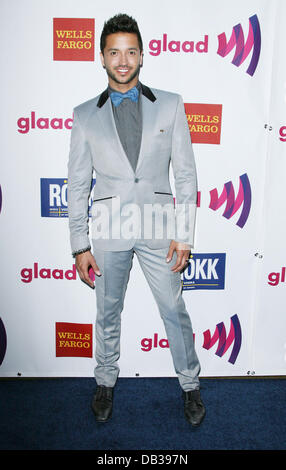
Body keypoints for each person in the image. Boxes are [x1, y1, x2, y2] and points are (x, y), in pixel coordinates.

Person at [68, 13, 205, 426]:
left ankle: (190, 386)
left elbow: (185, 175)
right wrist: (79, 245)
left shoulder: (171, 104)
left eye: (130, 51)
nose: (122, 60)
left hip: (161, 228)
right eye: (114, 52)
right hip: (108, 229)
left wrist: (184, 235)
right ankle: (105, 380)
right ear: (102, 57)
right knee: (107, 311)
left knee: (173, 308)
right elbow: (76, 184)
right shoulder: (83, 116)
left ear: (142, 55)